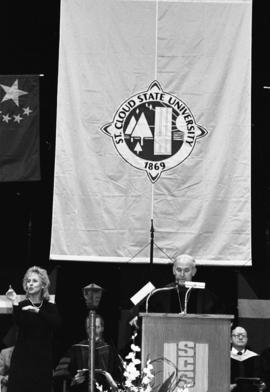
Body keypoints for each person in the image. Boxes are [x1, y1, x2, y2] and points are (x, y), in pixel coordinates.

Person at [5, 266, 61, 392]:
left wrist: (38, 311)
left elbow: (57, 323)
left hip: (42, 359)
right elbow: (19, 322)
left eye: (34, 281)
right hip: (22, 358)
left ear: (43, 285)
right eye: (28, 281)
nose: (30, 283)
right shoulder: (22, 305)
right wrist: (14, 301)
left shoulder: (50, 307)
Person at [54, 314, 122, 391]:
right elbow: (59, 373)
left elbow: (120, 376)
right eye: (90, 327)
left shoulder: (111, 351)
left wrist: (112, 381)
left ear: (102, 328)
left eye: (97, 327)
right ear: (86, 329)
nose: (93, 331)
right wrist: (73, 379)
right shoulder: (76, 349)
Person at [148, 254, 221, 313]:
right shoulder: (162, 293)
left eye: (186, 270)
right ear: (173, 271)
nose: (182, 274)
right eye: (179, 270)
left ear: (194, 272)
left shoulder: (205, 295)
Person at [230, 326, 261, 392]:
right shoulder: (224, 357)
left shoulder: (255, 357)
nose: (241, 338)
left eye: (243, 336)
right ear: (230, 339)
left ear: (247, 339)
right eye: (237, 335)